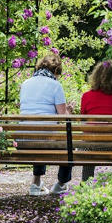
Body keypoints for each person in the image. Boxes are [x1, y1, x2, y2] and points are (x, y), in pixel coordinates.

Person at [20, 53, 72, 196]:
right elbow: (64, 118)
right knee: (68, 144)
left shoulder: (25, 83)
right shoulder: (55, 85)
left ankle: (36, 183)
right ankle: (61, 184)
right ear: (55, 71)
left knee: (39, 131)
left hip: (23, 139)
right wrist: (69, 111)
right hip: (44, 138)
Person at [80, 60, 112, 181]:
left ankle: (85, 185)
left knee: (88, 147)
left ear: (96, 76)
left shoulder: (87, 96)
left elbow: (83, 120)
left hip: (92, 145)